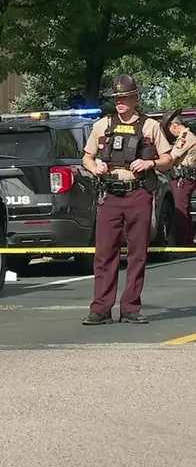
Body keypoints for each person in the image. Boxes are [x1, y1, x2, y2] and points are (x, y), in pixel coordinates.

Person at [81, 74, 173, 326]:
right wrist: (94, 167)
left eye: (125, 98)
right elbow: (86, 157)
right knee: (104, 253)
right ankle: (100, 308)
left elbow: (168, 159)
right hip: (110, 194)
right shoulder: (102, 125)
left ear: (136, 98)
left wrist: (150, 162)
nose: (120, 102)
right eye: (117, 98)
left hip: (138, 192)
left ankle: (130, 307)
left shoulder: (150, 126)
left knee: (137, 253)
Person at [166, 111, 196, 247]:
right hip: (184, 179)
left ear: (175, 125)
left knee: (179, 209)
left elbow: (173, 156)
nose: (169, 132)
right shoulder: (187, 137)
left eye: (169, 128)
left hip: (182, 179)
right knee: (184, 209)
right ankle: (188, 239)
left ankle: (183, 242)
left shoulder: (185, 137)